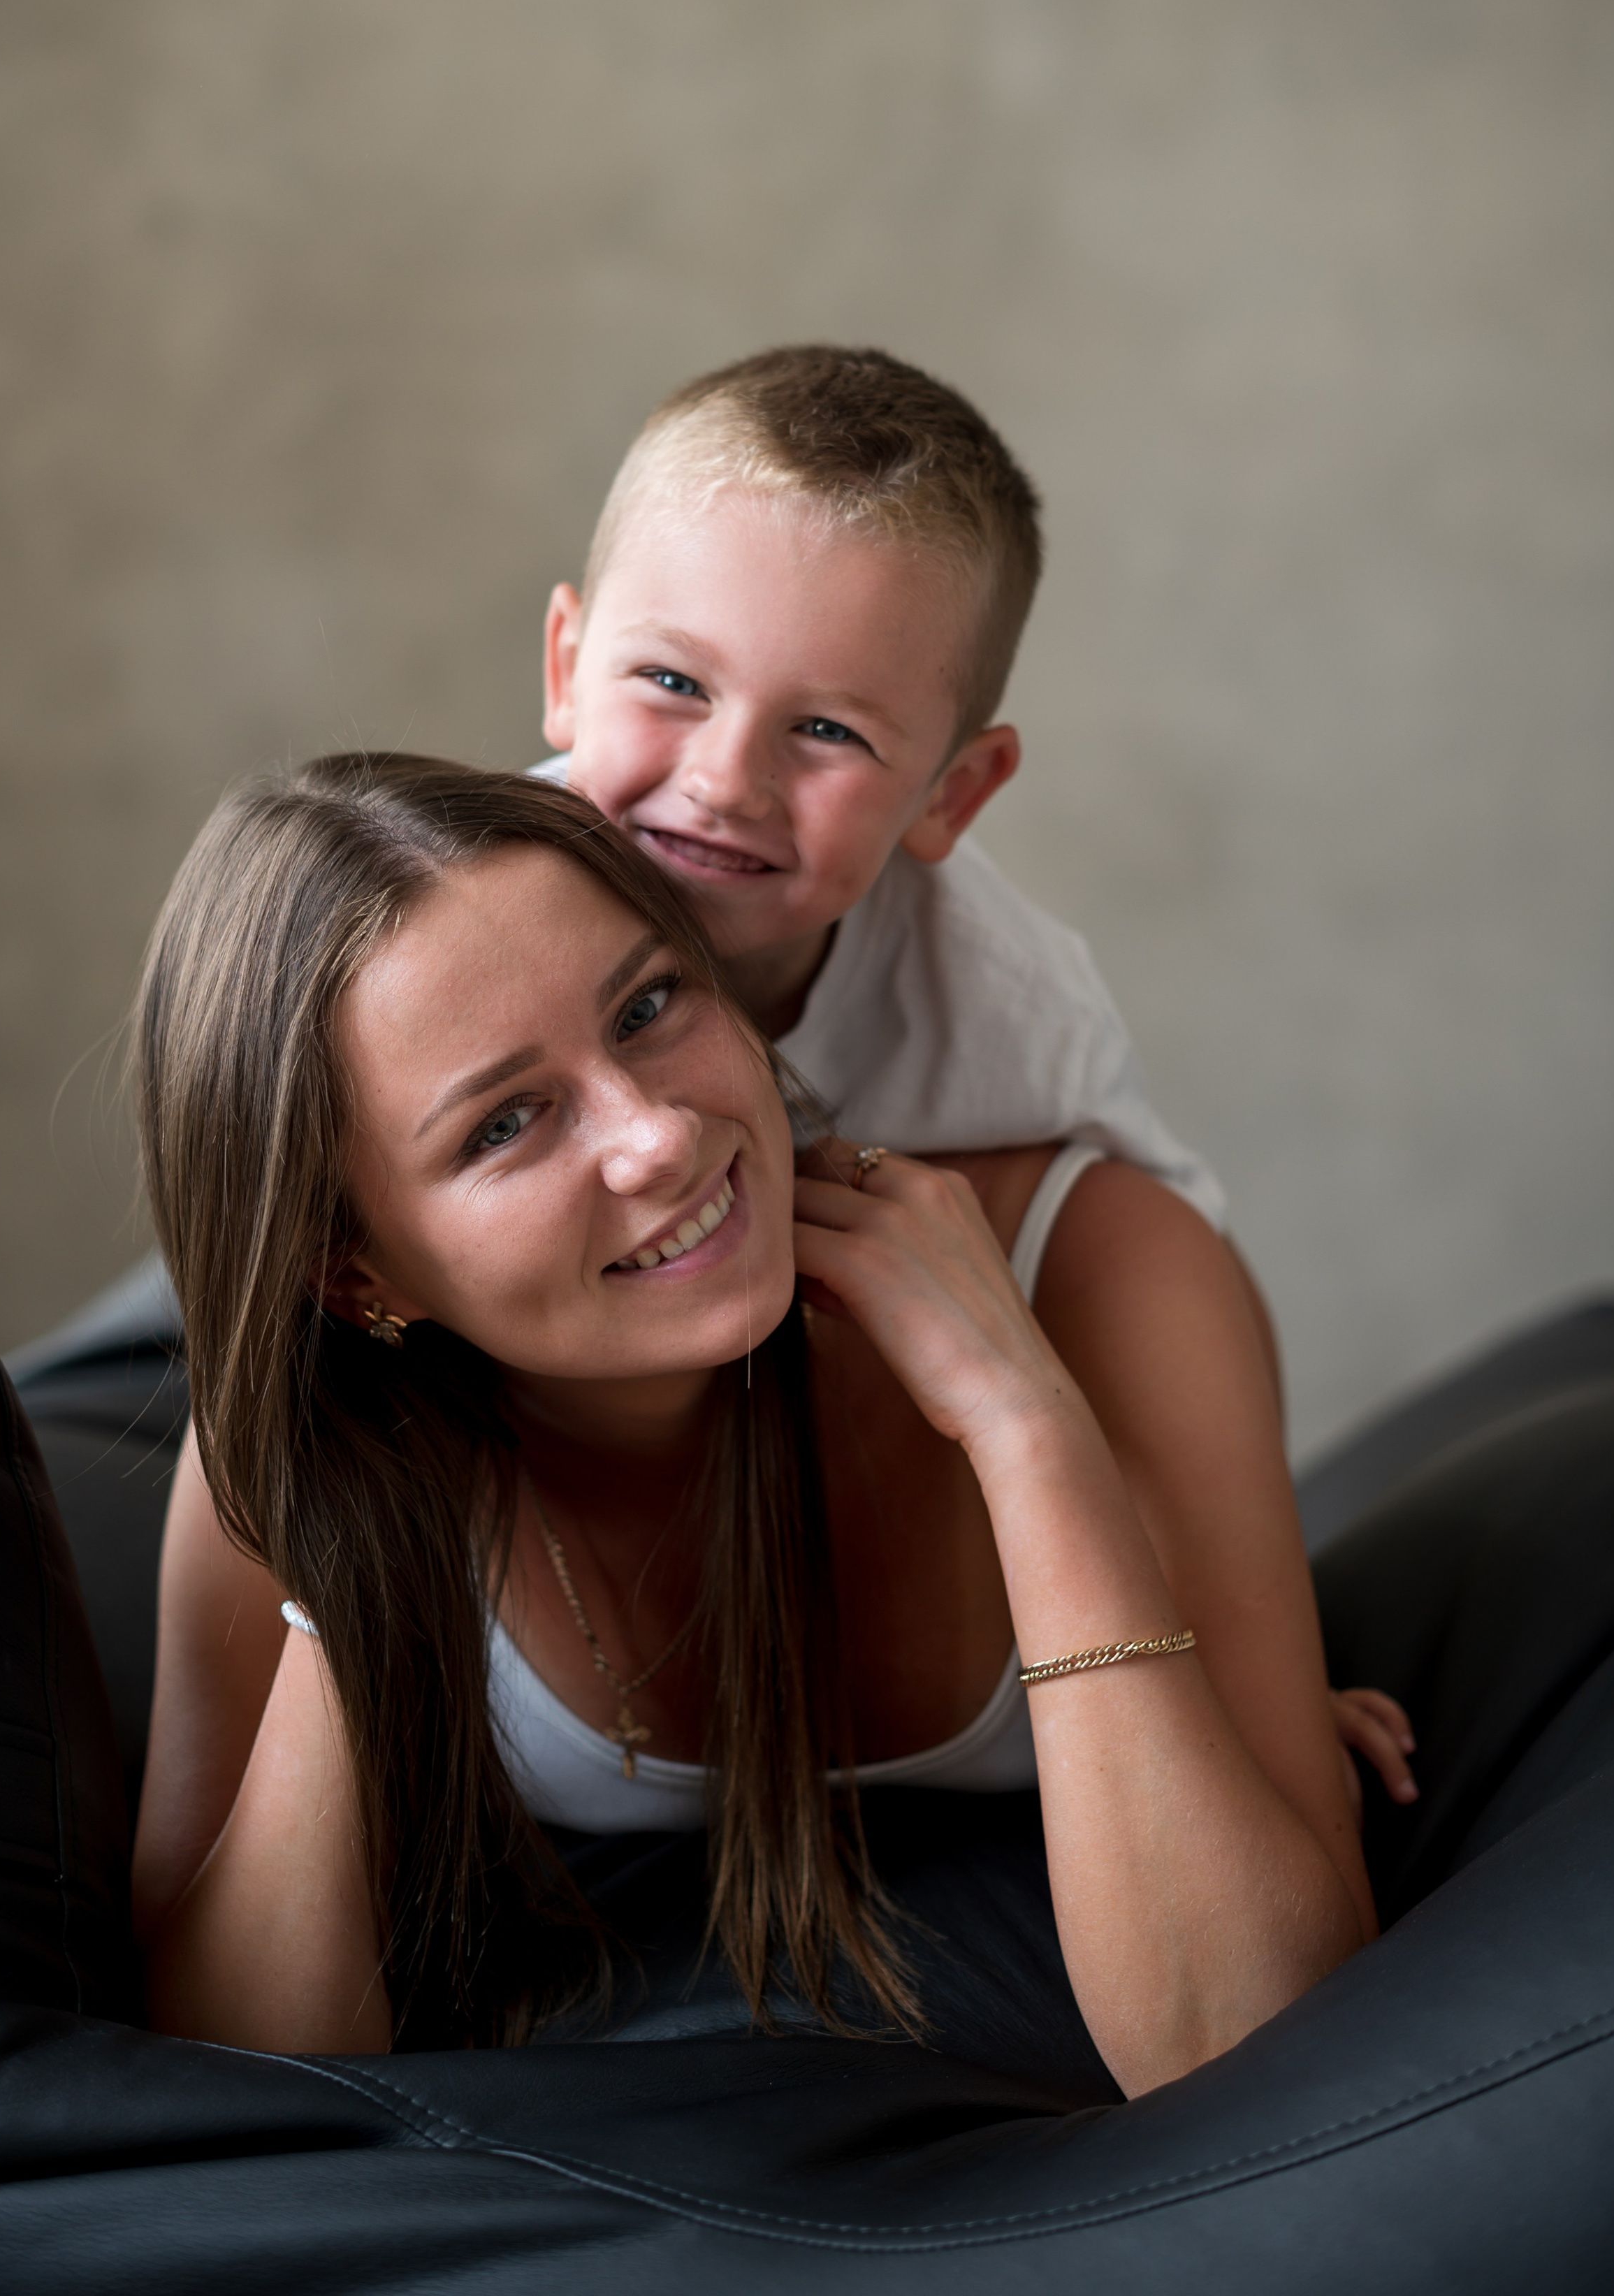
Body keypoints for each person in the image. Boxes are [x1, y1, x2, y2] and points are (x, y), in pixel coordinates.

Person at [131, 753, 1373, 2093]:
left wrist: (1022, 1422)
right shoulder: (290, 1450)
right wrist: (348, 1563)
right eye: (505, 1123)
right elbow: (240, 2084)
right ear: (354, 1275)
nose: (659, 1136)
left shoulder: (1099, 1262)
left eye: (648, 1005)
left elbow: (1254, 2033)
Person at [536, 342, 1415, 1808]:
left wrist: (1254, 1645)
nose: (725, 779)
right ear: (567, 668)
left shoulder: (1002, 1004)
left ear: (952, 792)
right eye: (672, 681)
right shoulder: (467, 914)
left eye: (826, 731)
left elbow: (1182, 1273)